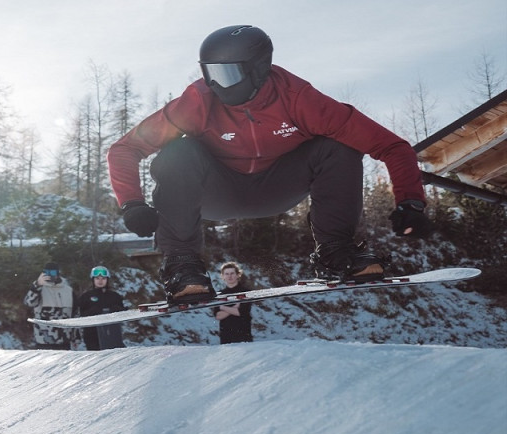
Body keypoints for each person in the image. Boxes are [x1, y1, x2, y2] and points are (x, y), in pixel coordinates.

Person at [107, 25, 432, 304]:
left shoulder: (301, 100)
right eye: (208, 73)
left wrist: (410, 202)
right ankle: (182, 266)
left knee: (338, 146)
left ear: (258, 70)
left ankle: (336, 250)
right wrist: (132, 204)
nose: (215, 85)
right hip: (215, 192)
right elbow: (125, 149)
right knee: (178, 152)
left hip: (279, 186)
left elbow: (390, 145)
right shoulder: (197, 102)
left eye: (225, 73)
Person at [24, 261, 75, 350]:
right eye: (47, 273)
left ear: (58, 273)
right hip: (44, 341)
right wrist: (37, 286)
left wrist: (75, 337)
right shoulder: (39, 288)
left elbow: (75, 313)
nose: (50, 275)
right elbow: (29, 302)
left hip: (64, 340)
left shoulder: (68, 290)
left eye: (53, 273)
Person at [74, 266, 127, 350]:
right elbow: (81, 316)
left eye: (103, 278)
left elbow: (123, 314)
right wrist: (94, 311)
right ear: (93, 280)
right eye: (97, 278)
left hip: (112, 335)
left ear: (107, 280)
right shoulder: (86, 296)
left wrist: (115, 310)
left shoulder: (115, 296)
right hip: (92, 336)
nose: (100, 281)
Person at [213, 262, 252, 344]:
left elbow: (241, 312)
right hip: (226, 337)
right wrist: (235, 307)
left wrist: (223, 307)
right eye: (226, 274)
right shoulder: (220, 295)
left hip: (243, 336)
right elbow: (218, 316)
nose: (229, 276)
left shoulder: (245, 292)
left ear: (238, 275)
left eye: (232, 273)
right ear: (223, 276)